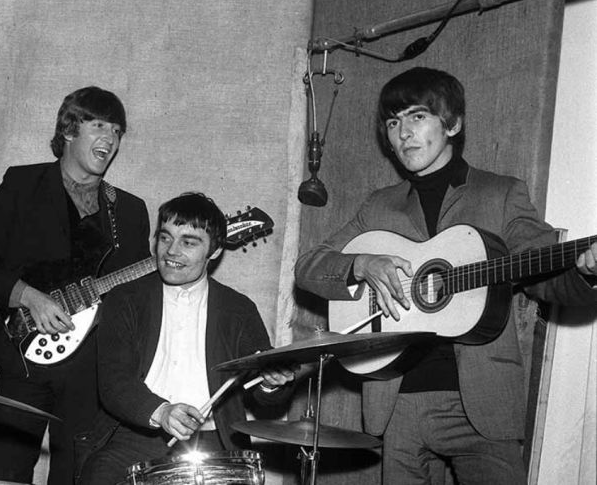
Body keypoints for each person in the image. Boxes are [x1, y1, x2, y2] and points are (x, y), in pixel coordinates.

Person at [294, 66, 597, 484]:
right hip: (395, 401)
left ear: (452, 123)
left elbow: (547, 271)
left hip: (481, 403)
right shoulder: (378, 207)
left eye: (418, 116)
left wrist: (587, 272)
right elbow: (309, 265)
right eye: (393, 122)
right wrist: (360, 264)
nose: (403, 133)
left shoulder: (501, 194)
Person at [0, 86, 151, 484]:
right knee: (4, 475)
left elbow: (133, 301)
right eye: (99, 125)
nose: (110, 139)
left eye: (118, 132)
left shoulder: (130, 210)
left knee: (76, 478)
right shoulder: (22, 185)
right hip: (23, 357)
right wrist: (26, 296)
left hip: (91, 373)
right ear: (70, 129)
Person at [78, 192, 296, 485]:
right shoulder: (124, 299)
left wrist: (271, 382)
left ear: (214, 251)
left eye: (189, 243)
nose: (171, 251)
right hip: (137, 435)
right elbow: (113, 381)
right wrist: (162, 411)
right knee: (98, 477)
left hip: (215, 439)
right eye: (165, 238)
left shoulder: (238, 309)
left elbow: (263, 389)